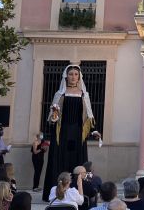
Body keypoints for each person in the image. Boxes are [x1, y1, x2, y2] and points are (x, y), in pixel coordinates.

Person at [43, 64, 101, 200]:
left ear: (79, 77)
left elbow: (88, 116)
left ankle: (79, 192)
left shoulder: (84, 95)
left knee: (77, 163)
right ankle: (57, 193)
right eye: (71, 74)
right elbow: (52, 119)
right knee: (60, 161)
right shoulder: (60, 94)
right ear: (66, 76)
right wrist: (55, 115)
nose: (73, 77)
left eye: (76, 74)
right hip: (62, 134)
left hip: (77, 135)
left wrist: (94, 131)